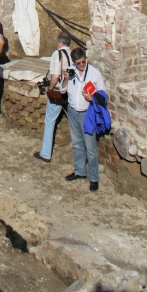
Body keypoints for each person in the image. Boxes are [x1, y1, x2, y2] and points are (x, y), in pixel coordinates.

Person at [61, 47, 105, 191]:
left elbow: (103, 95)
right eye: (79, 63)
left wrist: (91, 98)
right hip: (73, 112)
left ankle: (94, 178)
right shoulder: (70, 71)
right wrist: (66, 80)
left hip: (87, 114)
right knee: (77, 144)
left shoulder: (94, 73)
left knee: (90, 147)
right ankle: (79, 171)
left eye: (83, 62)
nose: (82, 65)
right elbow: (62, 90)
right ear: (73, 63)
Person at [34, 33, 72, 163]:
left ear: (59, 42)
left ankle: (45, 153)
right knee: (74, 122)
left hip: (59, 92)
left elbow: (55, 76)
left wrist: (49, 88)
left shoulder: (57, 54)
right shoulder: (72, 54)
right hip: (70, 91)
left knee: (49, 121)